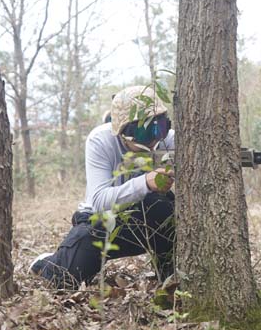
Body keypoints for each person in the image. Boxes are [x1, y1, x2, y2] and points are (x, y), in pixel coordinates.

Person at [29, 85, 175, 288]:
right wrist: (146, 182)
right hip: (101, 221)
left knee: (166, 209)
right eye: (144, 131)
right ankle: (48, 262)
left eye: (159, 127)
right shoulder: (101, 141)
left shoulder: (169, 140)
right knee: (66, 280)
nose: (153, 139)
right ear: (124, 131)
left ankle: (168, 273)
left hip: (148, 218)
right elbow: (98, 201)